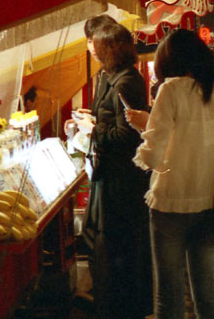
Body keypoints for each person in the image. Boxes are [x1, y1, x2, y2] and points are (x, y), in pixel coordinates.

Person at [132, 29, 214, 319]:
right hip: (211, 201)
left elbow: (153, 153)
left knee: (169, 297)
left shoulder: (170, 90)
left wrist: (142, 146)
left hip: (170, 204)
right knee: (207, 294)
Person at [83, 23, 153, 317]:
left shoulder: (125, 82)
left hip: (122, 182)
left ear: (108, 48)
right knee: (109, 248)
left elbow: (128, 134)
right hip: (111, 178)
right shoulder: (109, 78)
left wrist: (93, 129)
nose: (89, 47)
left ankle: (122, 308)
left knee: (120, 250)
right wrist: (91, 118)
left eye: (94, 43)